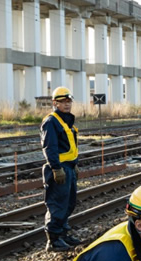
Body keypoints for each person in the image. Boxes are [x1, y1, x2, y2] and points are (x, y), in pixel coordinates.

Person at [42, 87, 83, 251]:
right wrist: (56, 168)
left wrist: (75, 164)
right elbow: (49, 147)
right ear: (55, 103)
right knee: (57, 203)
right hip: (58, 169)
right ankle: (53, 239)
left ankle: (63, 233)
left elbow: (70, 146)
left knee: (69, 203)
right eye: (62, 102)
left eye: (68, 102)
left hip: (69, 167)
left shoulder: (66, 121)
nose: (67, 105)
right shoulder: (51, 122)